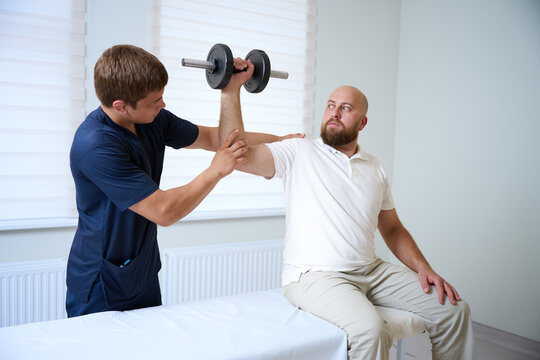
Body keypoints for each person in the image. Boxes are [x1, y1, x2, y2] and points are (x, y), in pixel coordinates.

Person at [219, 79, 475, 359]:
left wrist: (424, 267)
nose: (334, 113)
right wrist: (231, 91)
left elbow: (392, 228)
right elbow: (237, 155)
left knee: (453, 309)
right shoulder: (298, 152)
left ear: (362, 123)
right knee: (371, 330)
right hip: (314, 276)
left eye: (345, 108)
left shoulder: (374, 166)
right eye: (330, 106)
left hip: (372, 271)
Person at [66, 44, 296, 317]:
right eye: (155, 101)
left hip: (139, 269)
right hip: (101, 282)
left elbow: (216, 139)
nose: (162, 105)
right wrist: (215, 171)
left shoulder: (151, 119)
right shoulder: (96, 146)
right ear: (121, 106)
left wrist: (280, 141)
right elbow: (164, 211)